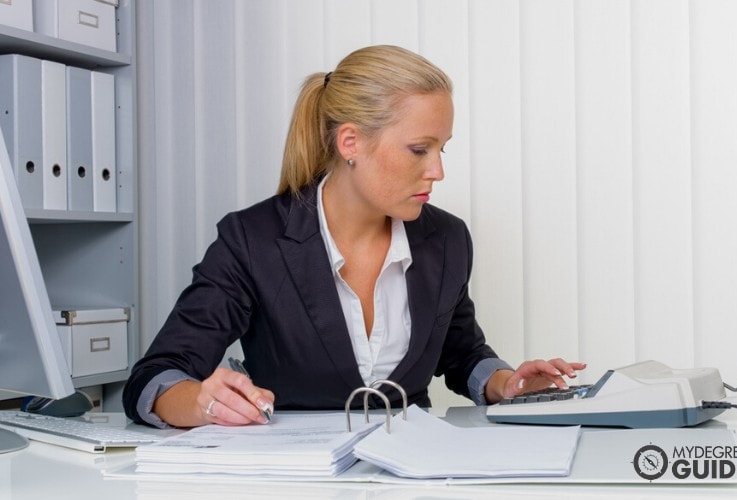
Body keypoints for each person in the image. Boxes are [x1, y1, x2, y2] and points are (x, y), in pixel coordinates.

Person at [122, 45, 585, 428]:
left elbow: (461, 351)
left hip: (414, 472)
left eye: (441, 148)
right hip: (296, 478)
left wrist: (507, 384)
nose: (438, 170)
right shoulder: (252, 239)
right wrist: (203, 402)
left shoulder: (446, 238)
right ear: (350, 143)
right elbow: (155, 378)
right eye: (419, 149)